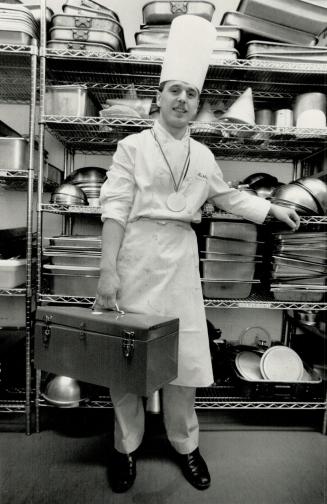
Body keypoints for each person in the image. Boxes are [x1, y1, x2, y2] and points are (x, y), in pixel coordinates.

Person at [95, 15, 300, 493]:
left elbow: (228, 197)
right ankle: (125, 448)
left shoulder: (203, 155)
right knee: (126, 362)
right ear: (159, 97)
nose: (183, 100)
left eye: (191, 93)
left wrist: (272, 210)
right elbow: (114, 210)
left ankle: (185, 445)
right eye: (175, 91)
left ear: (196, 102)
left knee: (185, 360)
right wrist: (107, 272)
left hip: (181, 259)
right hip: (136, 256)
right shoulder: (132, 147)